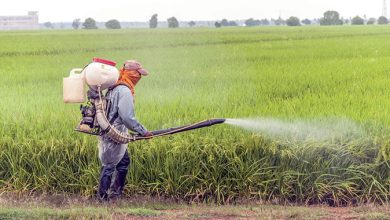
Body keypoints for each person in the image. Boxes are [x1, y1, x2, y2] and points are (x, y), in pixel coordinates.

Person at [97, 60, 152, 201]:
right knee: (109, 165)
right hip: (114, 133)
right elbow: (127, 117)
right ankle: (102, 199)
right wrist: (143, 131)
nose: (138, 78)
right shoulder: (125, 90)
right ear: (132, 73)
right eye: (138, 74)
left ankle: (116, 194)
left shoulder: (114, 87)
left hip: (113, 131)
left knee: (123, 161)